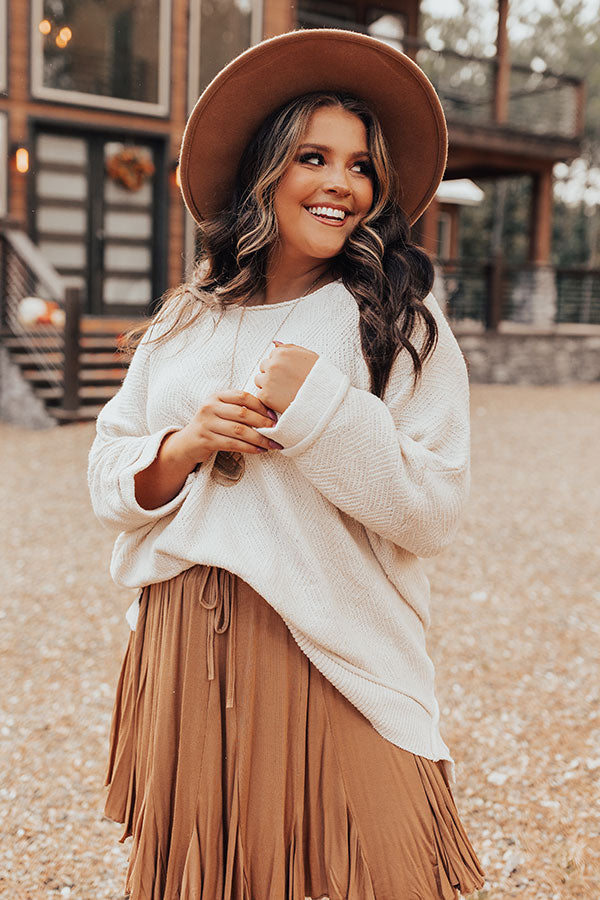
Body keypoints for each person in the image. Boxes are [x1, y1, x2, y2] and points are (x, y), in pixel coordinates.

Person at [88, 28, 486, 900]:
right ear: (267, 172)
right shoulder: (184, 318)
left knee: (364, 873)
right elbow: (110, 475)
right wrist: (183, 447)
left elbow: (433, 509)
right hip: (180, 641)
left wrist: (319, 412)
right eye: (314, 156)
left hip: (331, 651)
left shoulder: (399, 322)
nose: (342, 183)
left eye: (361, 166)